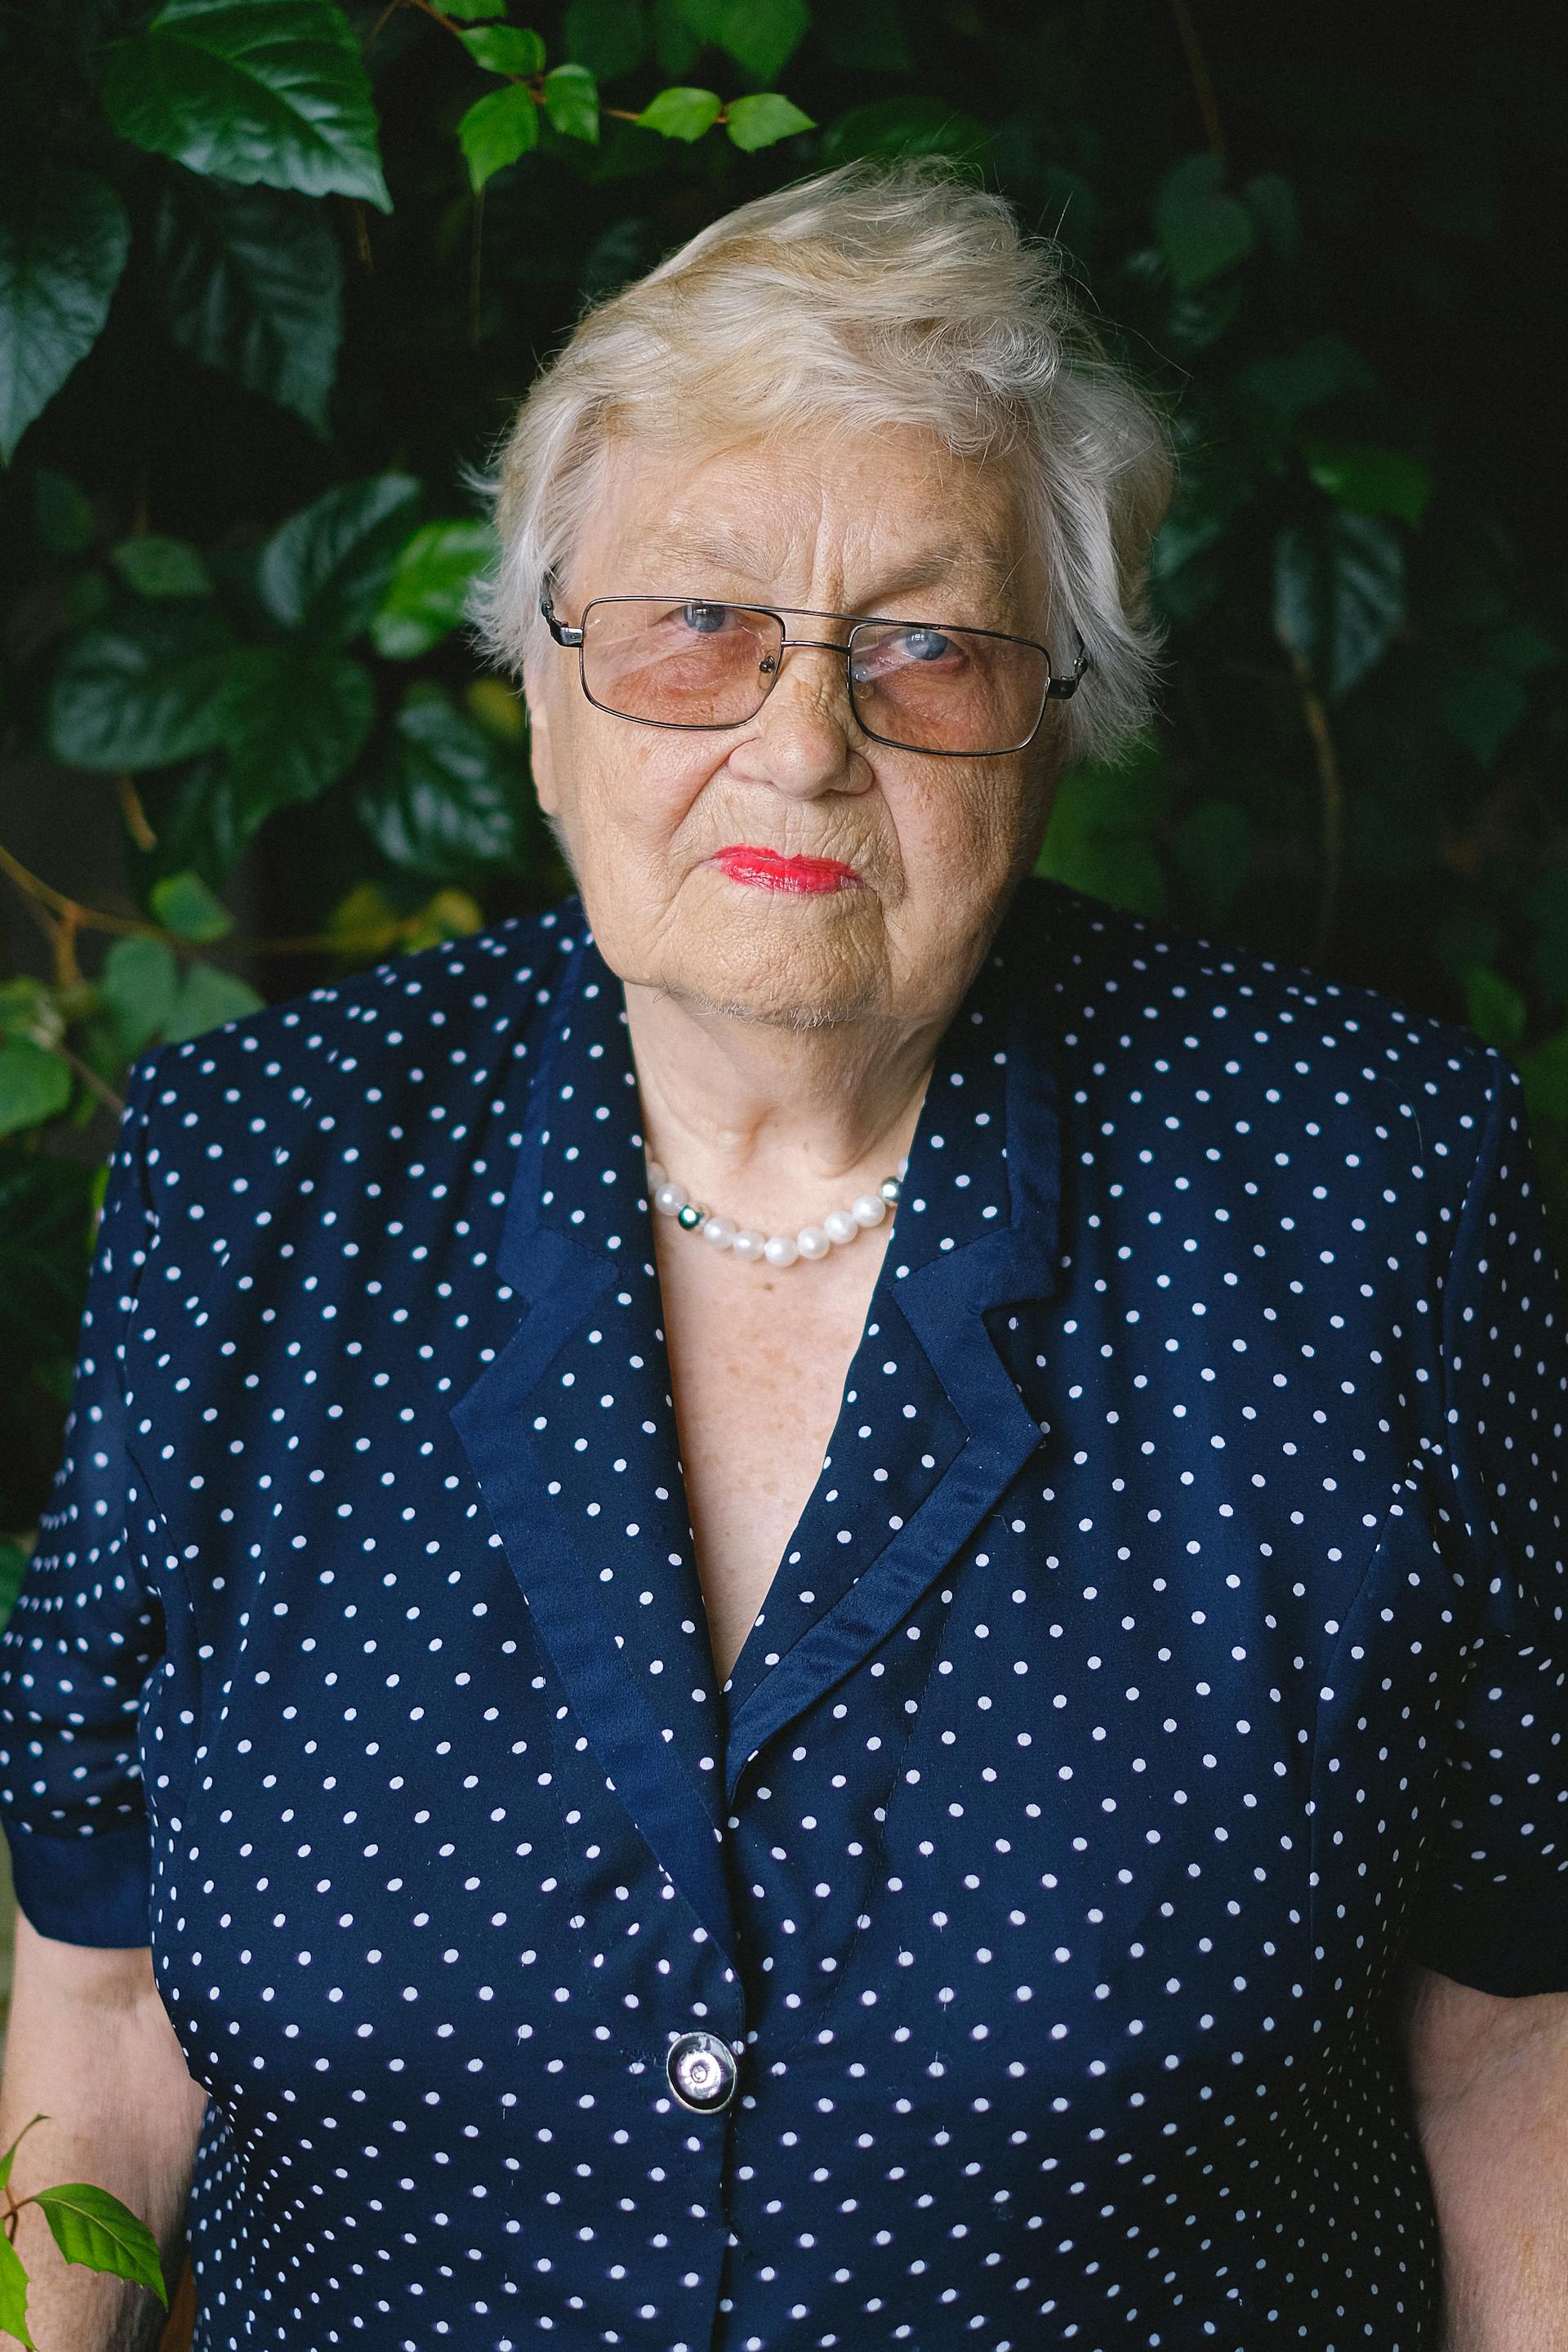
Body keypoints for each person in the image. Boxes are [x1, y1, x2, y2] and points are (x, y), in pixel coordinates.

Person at [2, 158, 1566, 2352]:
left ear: (1057, 725)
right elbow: (100, 2014)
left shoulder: (1365, 1181)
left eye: (926, 644)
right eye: (693, 627)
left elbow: (1513, 2034)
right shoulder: (257, 1166)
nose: (802, 740)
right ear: (540, 696)